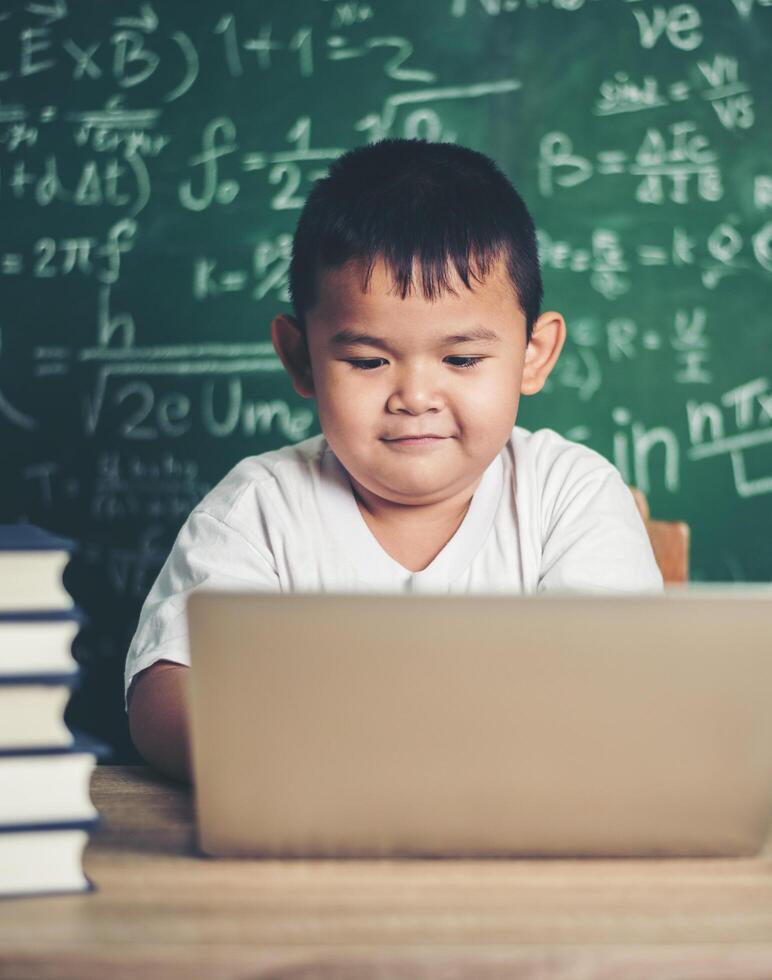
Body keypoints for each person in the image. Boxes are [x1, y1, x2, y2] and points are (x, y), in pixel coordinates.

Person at [126, 139, 663, 781]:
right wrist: (302, 757)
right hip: (312, 839)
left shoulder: (570, 496)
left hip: (527, 846)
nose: (414, 397)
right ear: (300, 358)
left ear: (533, 354)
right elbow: (163, 695)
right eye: (367, 361)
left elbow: (614, 687)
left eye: (461, 359)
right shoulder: (260, 508)